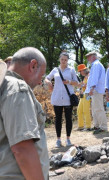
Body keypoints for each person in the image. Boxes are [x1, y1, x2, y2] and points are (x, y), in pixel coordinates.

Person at [0, 47, 49, 179]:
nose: (40, 82)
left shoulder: (3, 86)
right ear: (33, 66)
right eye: (41, 75)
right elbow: (22, 148)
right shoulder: (17, 89)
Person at [45, 52, 79, 147]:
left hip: (68, 97)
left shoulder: (71, 70)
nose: (63, 61)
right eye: (62, 59)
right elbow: (47, 78)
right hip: (57, 97)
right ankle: (58, 140)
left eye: (65, 60)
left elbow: (76, 82)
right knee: (58, 119)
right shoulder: (55, 70)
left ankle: (68, 139)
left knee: (68, 118)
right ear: (59, 59)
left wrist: (69, 81)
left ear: (68, 60)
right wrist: (49, 83)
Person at [85, 51, 108, 134]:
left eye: (89, 57)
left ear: (93, 57)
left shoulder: (96, 65)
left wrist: (92, 88)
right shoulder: (95, 64)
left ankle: (103, 126)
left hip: (96, 90)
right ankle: (97, 125)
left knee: (98, 108)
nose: (88, 59)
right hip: (95, 90)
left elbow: (95, 77)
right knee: (95, 109)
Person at [76, 64, 92, 131]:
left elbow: (89, 85)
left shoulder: (89, 76)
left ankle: (88, 126)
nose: (80, 72)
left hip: (87, 95)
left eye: (80, 71)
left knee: (86, 111)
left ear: (84, 70)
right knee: (79, 110)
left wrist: (82, 85)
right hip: (83, 95)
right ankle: (81, 126)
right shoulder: (85, 77)